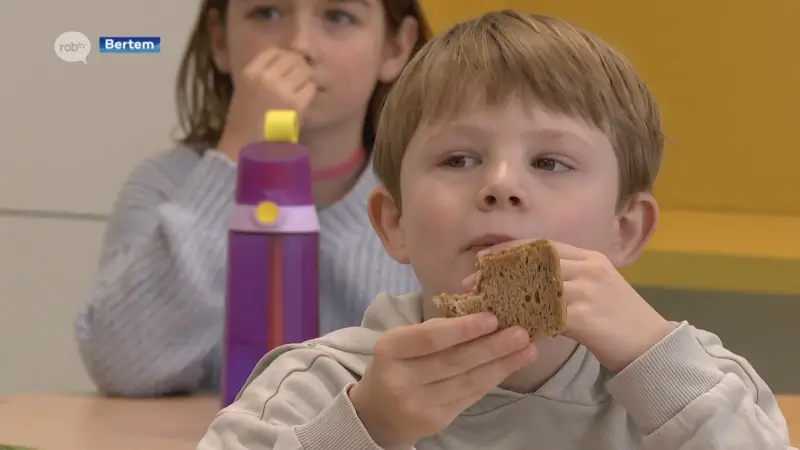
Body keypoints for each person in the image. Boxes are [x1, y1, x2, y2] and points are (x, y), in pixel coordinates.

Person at [196, 10, 795, 450]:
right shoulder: (324, 383)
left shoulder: (688, 379)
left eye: (550, 162)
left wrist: (654, 361)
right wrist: (366, 427)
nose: (501, 184)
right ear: (395, 222)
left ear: (625, 230)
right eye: (459, 159)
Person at [74, 0, 431, 397]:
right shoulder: (166, 186)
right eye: (267, 13)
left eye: (338, 16)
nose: (300, 46)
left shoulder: (428, 201)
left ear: (396, 47)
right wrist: (238, 152)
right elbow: (122, 366)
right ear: (220, 39)